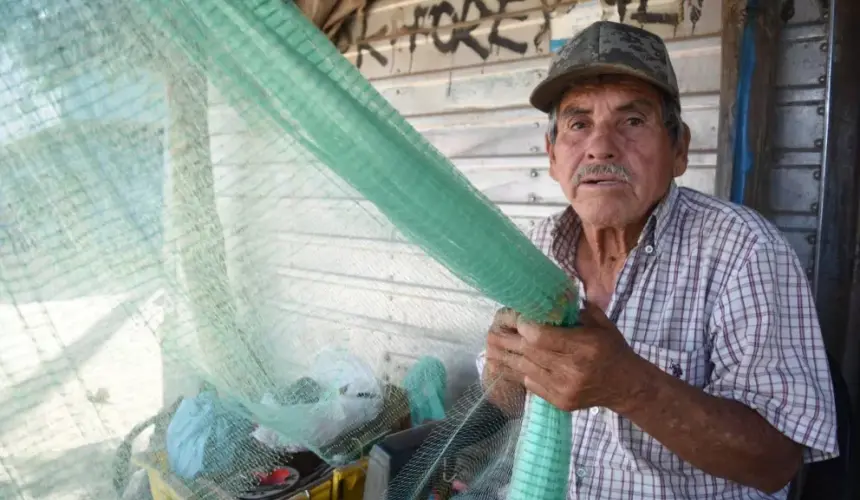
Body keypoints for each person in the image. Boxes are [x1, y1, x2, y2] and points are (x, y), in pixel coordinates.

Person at [475, 20, 838, 499]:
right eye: (578, 124)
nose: (600, 147)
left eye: (632, 121)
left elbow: (778, 462)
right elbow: (505, 403)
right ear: (552, 154)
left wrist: (629, 385)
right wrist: (504, 371)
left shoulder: (743, 250)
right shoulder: (532, 250)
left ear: (680, 148)